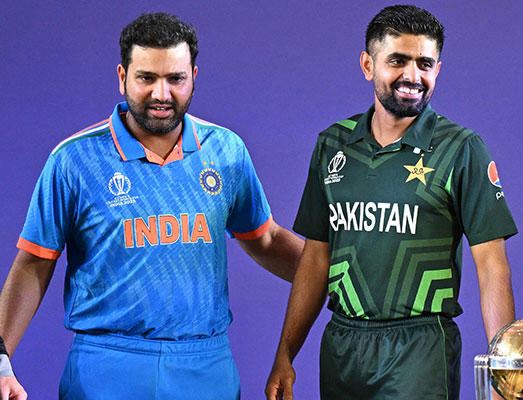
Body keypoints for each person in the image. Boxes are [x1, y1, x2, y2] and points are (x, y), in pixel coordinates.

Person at [0, 12, 303, 400]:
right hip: (107, 367)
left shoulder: (226, 151)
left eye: (175, 79)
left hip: (205, 365)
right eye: (147, 78)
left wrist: (338, 276)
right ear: (123, 76)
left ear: (193, 75)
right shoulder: (73, 161)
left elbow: (266, 240)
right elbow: (34, 263)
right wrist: (2, 358)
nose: (162, 94)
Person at [265, 5, 518, 400]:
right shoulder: (332, 144)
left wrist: (504, 367)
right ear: (368, 65)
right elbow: (315, 259)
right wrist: (285, 354)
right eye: (397, 60)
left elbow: (492, 267)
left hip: (420, 346)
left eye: (425, 63)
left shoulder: (461, 148)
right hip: (342, 344)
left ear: (438, 69)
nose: (412, 76)